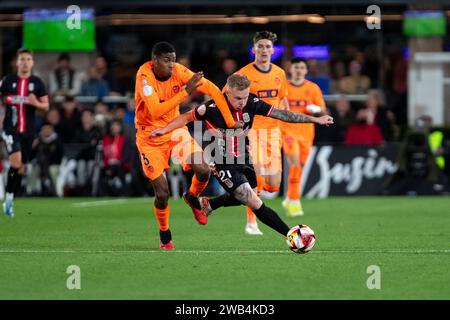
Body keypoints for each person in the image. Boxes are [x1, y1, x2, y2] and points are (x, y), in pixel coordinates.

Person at [150, 74, 333, 241]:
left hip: (243, 155)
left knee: (243, 195)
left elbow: (282, 114)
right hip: (220, 158)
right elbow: (186, 118)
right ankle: (292, 235)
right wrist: (164, 130)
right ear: (227, 93)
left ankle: (210, 203)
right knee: (252, 200)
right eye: (238, 98)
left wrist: (315, 120)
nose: (242, 102)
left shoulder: (252, 102)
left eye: (245, 96)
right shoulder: (212, 107)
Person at [134, 41, 241, 250]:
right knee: (162, 194)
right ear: (155, 60)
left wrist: (229, 121)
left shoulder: (179, 70)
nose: (172, 65)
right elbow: (155, 111)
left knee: (202, 170)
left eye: (173, 60)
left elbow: (213, 90)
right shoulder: (144, 77)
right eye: (167, 60)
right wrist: (185, 92)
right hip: (149, 137)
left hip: (174, 129)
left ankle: (192, 198)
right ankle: (165, 233)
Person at [234, 30, 289, 235]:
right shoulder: (243, 75)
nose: (264, 50)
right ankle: (251, 222)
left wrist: (286, 124)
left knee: (273, 185)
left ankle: (248, 193)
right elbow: (226, 97)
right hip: (252, 131)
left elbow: (282, 101)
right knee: (256, 177)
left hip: (274, 133)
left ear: (272, 50)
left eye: (267, 47)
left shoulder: (279, 74)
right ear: (254, 49)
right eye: (260, 46)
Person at [0, 48, 49, 217]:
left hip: (28, 131)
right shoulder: (8, 81)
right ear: (17, 62)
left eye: (28, 59)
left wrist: (35, 103)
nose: (25, 62)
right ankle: (7, 198)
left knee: (21, 168)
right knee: (15, 162)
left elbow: (46, 106)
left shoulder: (37, 83)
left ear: (32, 62)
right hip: (10, 128)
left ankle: (10, 198)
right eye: (22, 59)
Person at [281, 58, 326, 217]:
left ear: (306, 70)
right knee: (294, 163)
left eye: (302, 67)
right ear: (290, 69)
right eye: (296, 67)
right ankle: (294, 201)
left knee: (299, 166)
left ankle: (289, 197)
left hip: (306, 132)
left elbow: (322, 109)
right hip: (288, 131)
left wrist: (316, 108)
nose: (299, 70)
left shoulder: (313, 88)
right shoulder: (284, 87)